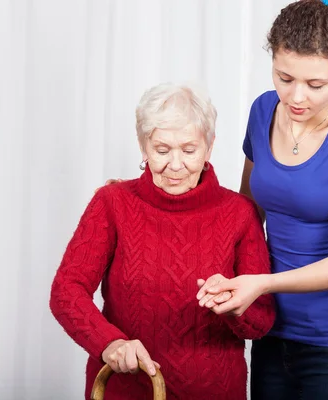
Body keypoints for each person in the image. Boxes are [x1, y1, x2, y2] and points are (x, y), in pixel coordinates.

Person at [196, 0, 328, 399]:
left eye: (315, 85)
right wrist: (144, 192)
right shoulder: (263, 111)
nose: (296, 96)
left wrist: (261, 283)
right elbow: (246, 214)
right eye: (284, 77)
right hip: (269, 329)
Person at [49, 82, 275, 400]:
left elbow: (261, 321)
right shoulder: (111, 203)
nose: (176, 165)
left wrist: (234, 306)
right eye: (162, 150)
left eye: (189, 149)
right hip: (125, 390)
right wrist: (109, 343)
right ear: (144, 146)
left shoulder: (240, 214)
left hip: (214, 391)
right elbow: (66, 291)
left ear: (210, 147)